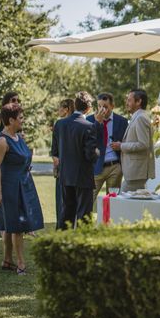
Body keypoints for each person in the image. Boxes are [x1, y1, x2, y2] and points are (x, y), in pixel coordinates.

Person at [0, 103, 44, 274]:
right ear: (11, 120)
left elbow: (23, 157)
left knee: (10, 225)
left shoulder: (18, 137)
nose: (23, 120)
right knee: (17, 226)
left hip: (24, 184)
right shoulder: (2, 140)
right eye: (20, 118)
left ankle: (7, 261)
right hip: (10, 187)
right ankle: (21, 264)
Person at [54, 91, 98, 229]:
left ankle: (61, 246)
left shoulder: (60, 125)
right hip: (83, 176)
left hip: (65, 175)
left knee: (66, 214)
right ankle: (81, 247)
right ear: (88, 109)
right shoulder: (89, 126)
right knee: (84, 216)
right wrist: (97, 152)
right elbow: (90, 155)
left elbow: (55, 152)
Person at [0, 91, 21, 265]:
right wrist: (5, 138)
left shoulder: (17, 117)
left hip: (13, 163)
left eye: (18, 100)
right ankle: (6, 257)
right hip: (1, 161)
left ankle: (7, 258)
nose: (16, 102)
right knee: (4, 213)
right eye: (13, 100)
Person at [86, 93, 129, 203]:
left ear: (112, 106)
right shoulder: (89, 120)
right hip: (96, 167)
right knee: (89, 200)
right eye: (99, 106)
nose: (102, 109)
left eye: (105, 106)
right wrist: (98, 122)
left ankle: (109, 221)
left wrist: (120, 145)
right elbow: (88, 141)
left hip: (115, 167)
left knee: (113, 201)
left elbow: (127, 142)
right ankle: (84, 221)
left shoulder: (122, 121)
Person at [110, 89, 155, 192]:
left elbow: (143, 144)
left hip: (137, 172)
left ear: (138, 102)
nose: (127, 103)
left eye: (129, 100)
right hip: (135, 172)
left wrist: (121, 146)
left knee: (122, 203)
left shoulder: (140, 118)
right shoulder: (138, 117)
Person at [50, 99, 74, 229]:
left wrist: (57, 163)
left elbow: (54, 151)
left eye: (60, 108)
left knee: (62, 200)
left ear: (66, 109)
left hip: (63, 169)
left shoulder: (59, 124)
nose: (58, 110)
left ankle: (61, 226)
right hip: (71, 168)